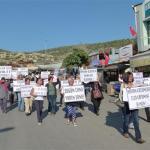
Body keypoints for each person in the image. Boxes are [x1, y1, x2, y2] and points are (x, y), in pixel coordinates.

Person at [122, 72, 145, 144]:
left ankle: (138, 137)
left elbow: (140, 89)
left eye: (132, 76)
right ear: (126, 77)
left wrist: (142, 86)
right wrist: (127, 88)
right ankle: (125, 131)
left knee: (136, 121)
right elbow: (122, 94)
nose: (131, 78)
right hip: (127, 105)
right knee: (126, 120)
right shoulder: (123, 84)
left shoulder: (134, 84)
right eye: (129, 76)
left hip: (135, 105)